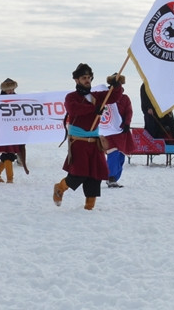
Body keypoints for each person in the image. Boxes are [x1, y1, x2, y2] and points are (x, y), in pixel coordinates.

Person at [52, 63, 124, 210]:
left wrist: (116, 86)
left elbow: (114, 96)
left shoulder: (97, 96)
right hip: (78, 142)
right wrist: (94, 109)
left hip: (95, 143)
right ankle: (60, 187)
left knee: (95, 176)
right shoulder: (71, 97)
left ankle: (89, 208)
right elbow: (74, 109)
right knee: (77, 175)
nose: (87, 80)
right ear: (76, 80)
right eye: (84, 78)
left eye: (89, 77)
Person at [100, 73, 134, 188]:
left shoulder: (125, 98)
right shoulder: (106, 97)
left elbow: (129, 111)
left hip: (121, 131)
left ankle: (114, 178)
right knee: (113, 153)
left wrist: (127, 123)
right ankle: (111, 177)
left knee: (120, 156)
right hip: (109, 132)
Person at [0, 78, 27, 183]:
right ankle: (10, 179)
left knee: (11, 154)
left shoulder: (18, 99)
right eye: (8, 89)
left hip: (14, 131)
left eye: (12, 89)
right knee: (7, 153)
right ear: (4, 90)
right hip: (3, 132)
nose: (11, 91)